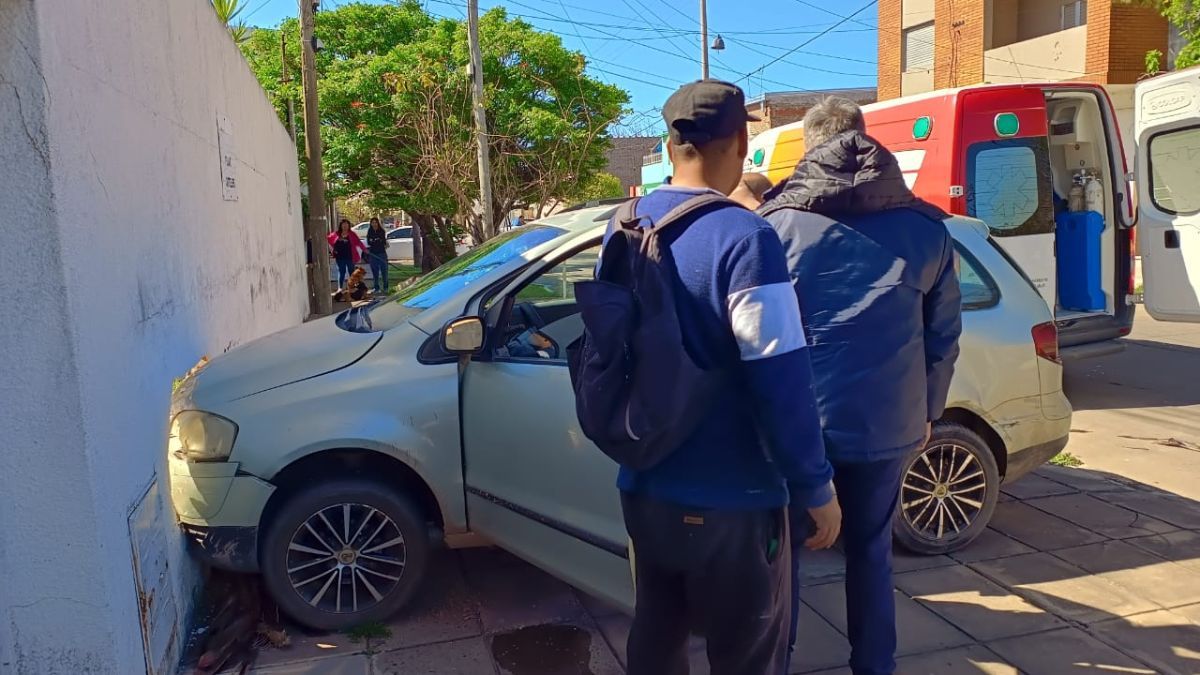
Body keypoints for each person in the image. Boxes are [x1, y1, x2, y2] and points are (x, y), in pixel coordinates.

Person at [609, 80, 841, 675]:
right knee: (746, 655)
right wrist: (816, 488)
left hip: (645, 488)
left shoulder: (625, 223)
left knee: (656, 637)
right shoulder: (746, 237)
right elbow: (781, 378)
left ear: (670, 145)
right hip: (734, 500)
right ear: (740, 142)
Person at [757, 97, 962, 675]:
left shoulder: (774, 227)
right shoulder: (926, 229)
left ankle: (778, 662)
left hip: (799, 424)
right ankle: (874, 666)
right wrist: (929, 409)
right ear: (865, 138)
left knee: (784, 559)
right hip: (888, 423)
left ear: (808, 146)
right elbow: (943, 334)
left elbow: (755, 335)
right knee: (871, 553)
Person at [327, 219, 368, 289]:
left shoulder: (352, 234)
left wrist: (364, 249)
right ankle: (340, 288)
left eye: (346, 224)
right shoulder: (336, 234)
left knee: (352, 273)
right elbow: (328, 239)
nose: (345, 226)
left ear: (349, 225)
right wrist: (332, 249)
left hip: (350, 257)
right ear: (341, 225)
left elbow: (359, 242)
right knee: (341, 272)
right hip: (340, 257)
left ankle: (352, 287)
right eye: (343, 224)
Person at [365, 217, 390, 293]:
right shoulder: (370, 231)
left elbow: (383, 242)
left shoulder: (381, 231)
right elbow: (369, 242)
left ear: (378, 223)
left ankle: (385, 288)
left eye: (375, 222)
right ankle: (376, 288)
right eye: (373, 222)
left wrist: (375, 240)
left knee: (384, 271)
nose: (374, 224)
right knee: (375, 272)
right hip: (373, 254)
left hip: (382, 253)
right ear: (371, 224)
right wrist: (376, 240)